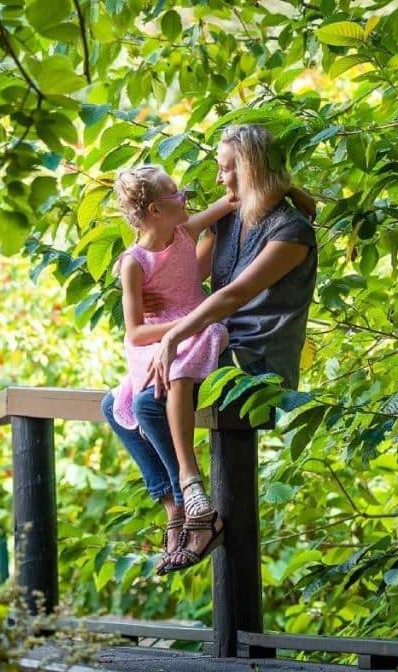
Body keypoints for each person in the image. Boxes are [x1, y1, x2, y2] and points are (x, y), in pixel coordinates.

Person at [100, 123, 318, 575]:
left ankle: (194, 508)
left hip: (253, 355)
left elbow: (233, 295)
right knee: (114, 403)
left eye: (226, 170)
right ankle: (181, 509)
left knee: (148, 403)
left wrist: (174, 335)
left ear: (251, 170)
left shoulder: (291, 233)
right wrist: (151, 292)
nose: (218, 180)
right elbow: (189, 277)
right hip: (210, 334)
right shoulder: (228, 218)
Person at [107, 164, 236, 575]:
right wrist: (177, 329)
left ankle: (188, 486)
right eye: (176, 197)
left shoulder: (185, 231)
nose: (185, 202)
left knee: (150, 401)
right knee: (114, 407)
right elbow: (135, 331)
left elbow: (231, 201)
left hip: (195, 329)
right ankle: (173, 503)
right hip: (159, 336)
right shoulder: (134, 262)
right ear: (153, 210)